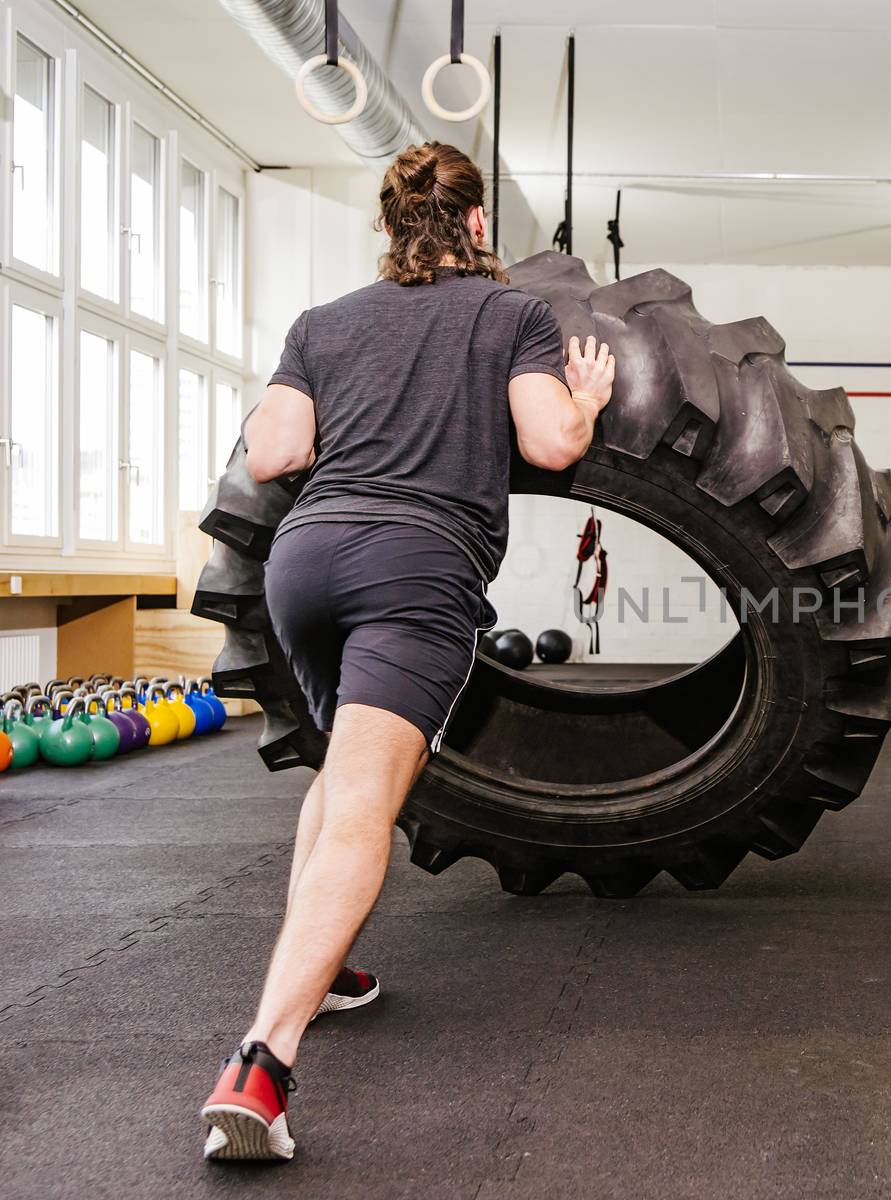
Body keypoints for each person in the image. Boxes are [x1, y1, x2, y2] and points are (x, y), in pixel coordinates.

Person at [198, 141, 617, 1162]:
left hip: (303, 565)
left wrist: (313, 377)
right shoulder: (511, 313)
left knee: (342, 769)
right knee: (363, 810)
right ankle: (262, 1060)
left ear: (389, 229)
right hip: (413, 572)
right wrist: (590, 395)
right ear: (477, 225)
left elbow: (273, 454)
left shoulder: (322, 323)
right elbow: (551, 444)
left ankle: (326, 967)